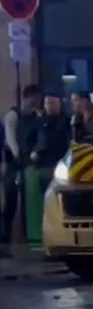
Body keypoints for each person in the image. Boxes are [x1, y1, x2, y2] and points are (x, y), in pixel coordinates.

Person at [25, 93, 71, 243]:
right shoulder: (41, 123)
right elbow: (30, 140)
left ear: (60, 104)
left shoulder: (66, 122)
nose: (49, 106)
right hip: (43, 166)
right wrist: (34, 152)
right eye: (47, 103)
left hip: (61, 167)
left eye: (52, 103)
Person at [2, 84, 43, 245]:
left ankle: (27, 234)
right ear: (27, 98)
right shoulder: (12, 116)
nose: (37, 102)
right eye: (35, 99)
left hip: (29, 163)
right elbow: (10, 139)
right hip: (13, 163)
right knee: (10, 200)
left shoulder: (36, 117)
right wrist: (18, 156)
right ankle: (5, 237)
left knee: (29, 200)